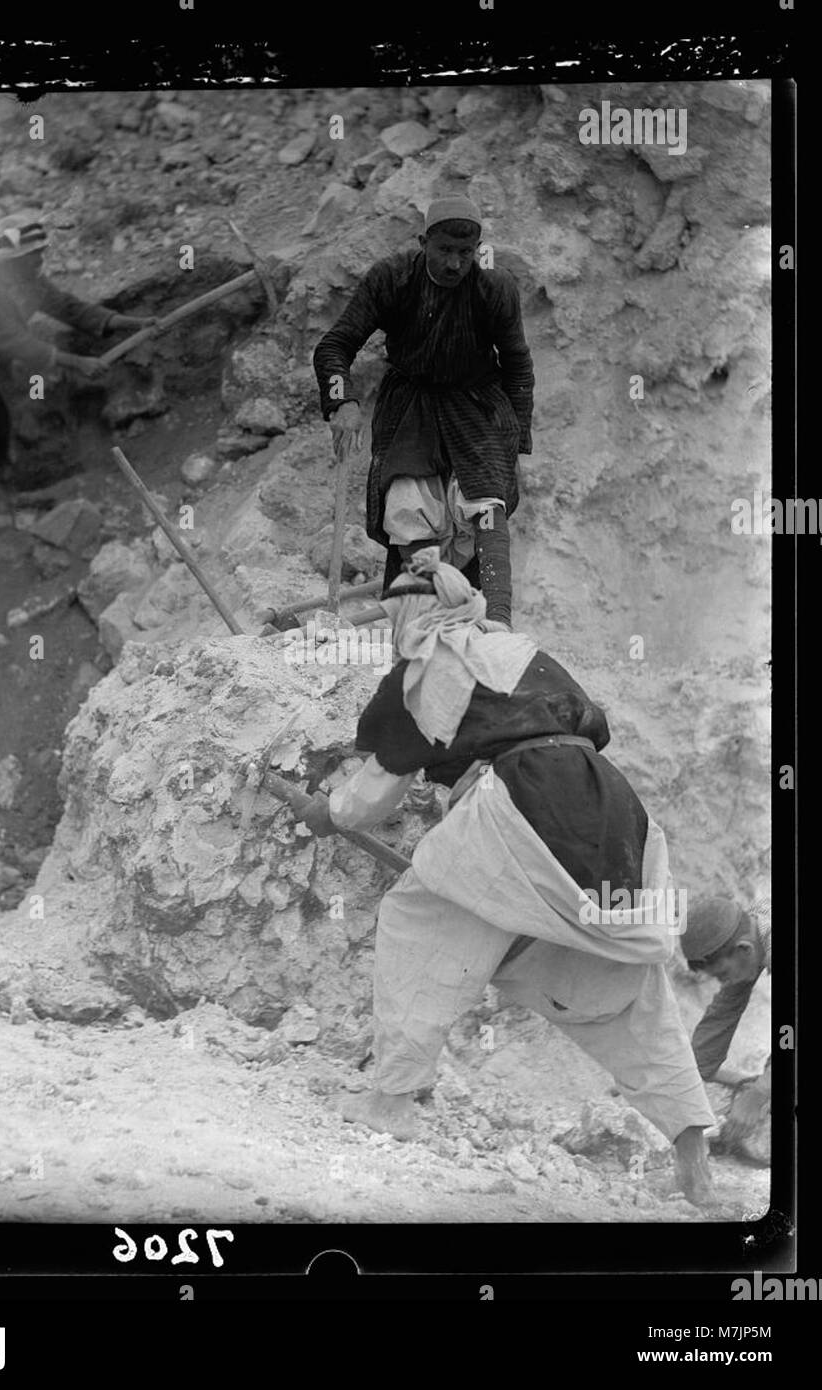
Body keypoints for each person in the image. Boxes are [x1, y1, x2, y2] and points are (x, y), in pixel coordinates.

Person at [298, 547, 720, 1208]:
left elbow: (378, 784)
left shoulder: (427, 666)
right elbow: (590, 731)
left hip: (524, 804)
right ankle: (695, 1158)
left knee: (420, 917)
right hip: (612, 810)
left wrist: (326, 814)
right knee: (618, 982)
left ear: (412, 613)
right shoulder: (523, 652)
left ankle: (390, 1101)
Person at [312, 195, 534, 626]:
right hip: (411, 405)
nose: (454, 264)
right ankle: (418, 620)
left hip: (478, 403)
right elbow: (335, 345)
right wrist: (342, 401)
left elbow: (518, 362)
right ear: (423, 242)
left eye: (465, 254)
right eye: (444, 251)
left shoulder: (495, 287)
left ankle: (498, 623)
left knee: (487, 505)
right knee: (408, 505)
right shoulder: (391, 279)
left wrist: (516, 436)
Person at [0, 211, 158, 502]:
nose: (41, 259)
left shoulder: (29, 281)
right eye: (34, 254)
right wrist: (78, 363)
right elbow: (14, 342)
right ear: (12, 259)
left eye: (42, 251)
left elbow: (70, 308)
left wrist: (132, 322)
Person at [681, 896, 772, 1155]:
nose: (723, 983)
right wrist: (676, 1075)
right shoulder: (749, 929)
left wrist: (759, 1093)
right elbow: (723, 1013)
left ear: (744, 950)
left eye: (722, 974)